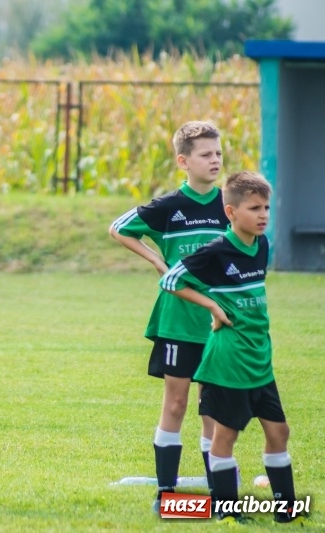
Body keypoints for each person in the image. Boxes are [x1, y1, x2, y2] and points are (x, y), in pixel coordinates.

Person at [160, 171, 310, 526]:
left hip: (259, 358)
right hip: (227, 362)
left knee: (279, 432)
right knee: (225, 437)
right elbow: (170, 280)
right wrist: (212, 306)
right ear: (231, 212)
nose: (263, 215)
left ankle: (288, 512)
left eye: (267, 208)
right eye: (254, 208)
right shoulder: (216, 251)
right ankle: (228, 513)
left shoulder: (262, 245)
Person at [109, 121, 227, 512]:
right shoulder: (169, 207)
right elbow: (119, 228)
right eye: (206, 154)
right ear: (184, 160)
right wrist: (158, 262)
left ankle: (218, 493)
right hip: (178, 320)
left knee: (212, 406)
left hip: (220, 322)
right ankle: (168, 493)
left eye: (218, 153)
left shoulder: (230, 204)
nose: (215, 160)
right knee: (176, 404)